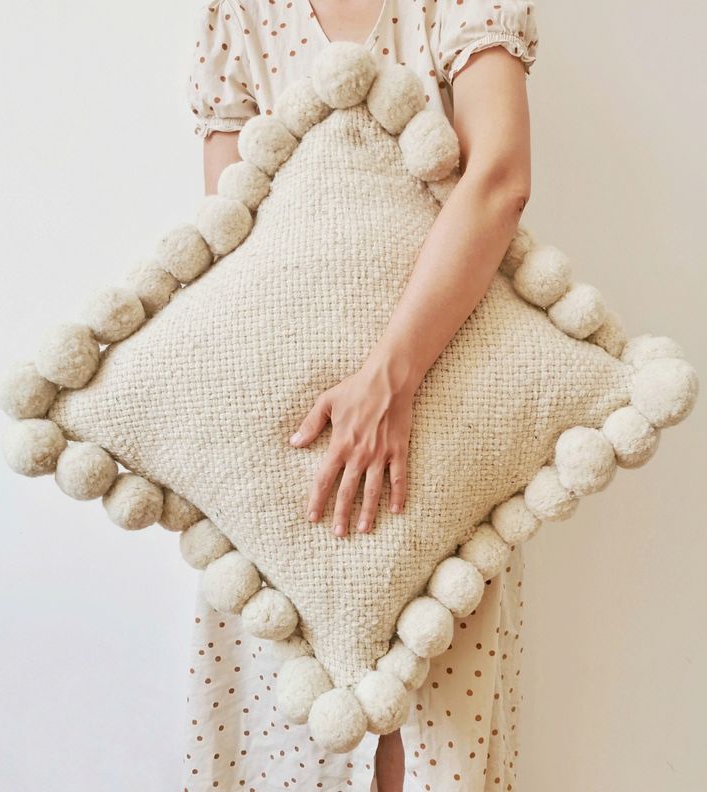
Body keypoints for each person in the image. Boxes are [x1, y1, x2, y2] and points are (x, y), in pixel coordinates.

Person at [183, 1, 538, 790]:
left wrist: (390, 380)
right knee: (299, 728)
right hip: (293, 443)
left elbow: (500, 179)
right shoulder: (235, 12)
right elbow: (230, 241)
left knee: (427, 736)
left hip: (442, 425)